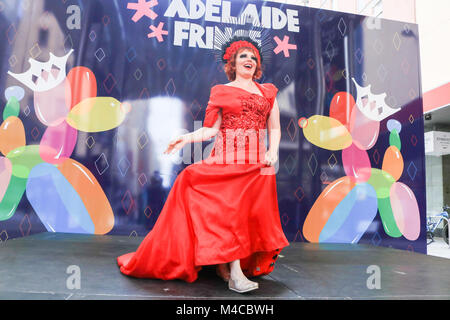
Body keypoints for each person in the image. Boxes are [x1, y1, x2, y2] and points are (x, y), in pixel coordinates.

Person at [117, 36, 289, 293]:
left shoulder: (269, 92)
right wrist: (185, 137)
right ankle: (234, 273)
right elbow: (210, 130)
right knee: (220, 205)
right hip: (226, 160)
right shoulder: (221, 91)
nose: (249, 60)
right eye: (244, 56)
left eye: (253, 57)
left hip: (257, 164)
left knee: (242, 217)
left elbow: (274, 128)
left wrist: (273, 152)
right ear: (232, 62)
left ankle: (228, 268)